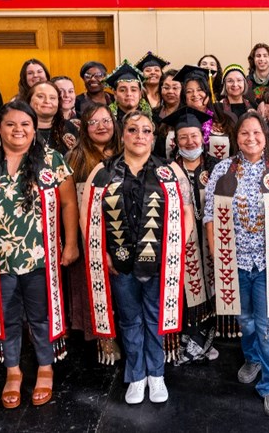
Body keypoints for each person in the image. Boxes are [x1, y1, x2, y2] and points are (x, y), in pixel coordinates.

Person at [0, 100, 79, 408]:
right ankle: (13, 372)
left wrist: (72, 243)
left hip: (41, 257)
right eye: (10, 124)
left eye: (25, 124)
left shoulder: (51, 160)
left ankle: (45, 368)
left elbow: (68, 204)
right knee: (7, 317)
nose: (18, 130)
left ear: (35, 128)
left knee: (40, 316)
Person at [81, 109, 193, 405]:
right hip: (120, 263)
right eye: (132, 130)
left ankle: (156, 374)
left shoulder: (170, 170)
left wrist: (174, 251)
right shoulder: (103, 171)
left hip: (158, 263)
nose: (139, 135)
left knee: (156, 318)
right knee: (130, 320)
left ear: (153, 135)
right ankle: (136, 375)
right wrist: (100, 252)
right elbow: (86, 215)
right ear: (123, 133)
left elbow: (187, 215)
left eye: (145, 130)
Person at [204, 111, 269, 417]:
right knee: (246, 320)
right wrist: (216, 253)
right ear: (236, 138)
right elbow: (210, 215)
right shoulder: (223, 170)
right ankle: (253, 358)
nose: (251, 138)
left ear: (266, 137)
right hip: (234, 262)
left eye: (257, 133)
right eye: (244, 134)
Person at [160, 106, 221, 364]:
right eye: (183, 137)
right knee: (187, 291)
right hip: (183, 240)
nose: (190, 141)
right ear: (175, 140)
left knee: (211, 287)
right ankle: (189, 341)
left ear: (203, 136)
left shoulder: (217, 167)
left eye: (194, 135)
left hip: (212, 239)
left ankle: (206, 340)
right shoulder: (167, 170)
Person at [65, 104, 122, 363]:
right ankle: (103, 337)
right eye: (94, 122)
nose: (102, 126)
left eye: (106, 120)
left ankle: (123, 333)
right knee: (93, 286)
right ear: (84, 128)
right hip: (89, 233)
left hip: (121, 231)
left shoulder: (124, 152)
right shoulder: (74, 158)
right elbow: (69, 204)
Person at [175, 65, 236, 160]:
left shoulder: (225, 121)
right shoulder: (175, 122)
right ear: (184, 97)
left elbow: (235, 152)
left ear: (208, 92)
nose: (195, 94)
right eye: (189, 91)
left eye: (200, 90)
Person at [24, 81, 79, 154]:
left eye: (52, 98)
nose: (47, 101)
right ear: (29, 100)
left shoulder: (71, 128)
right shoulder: (20, 129)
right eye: (40, 96)